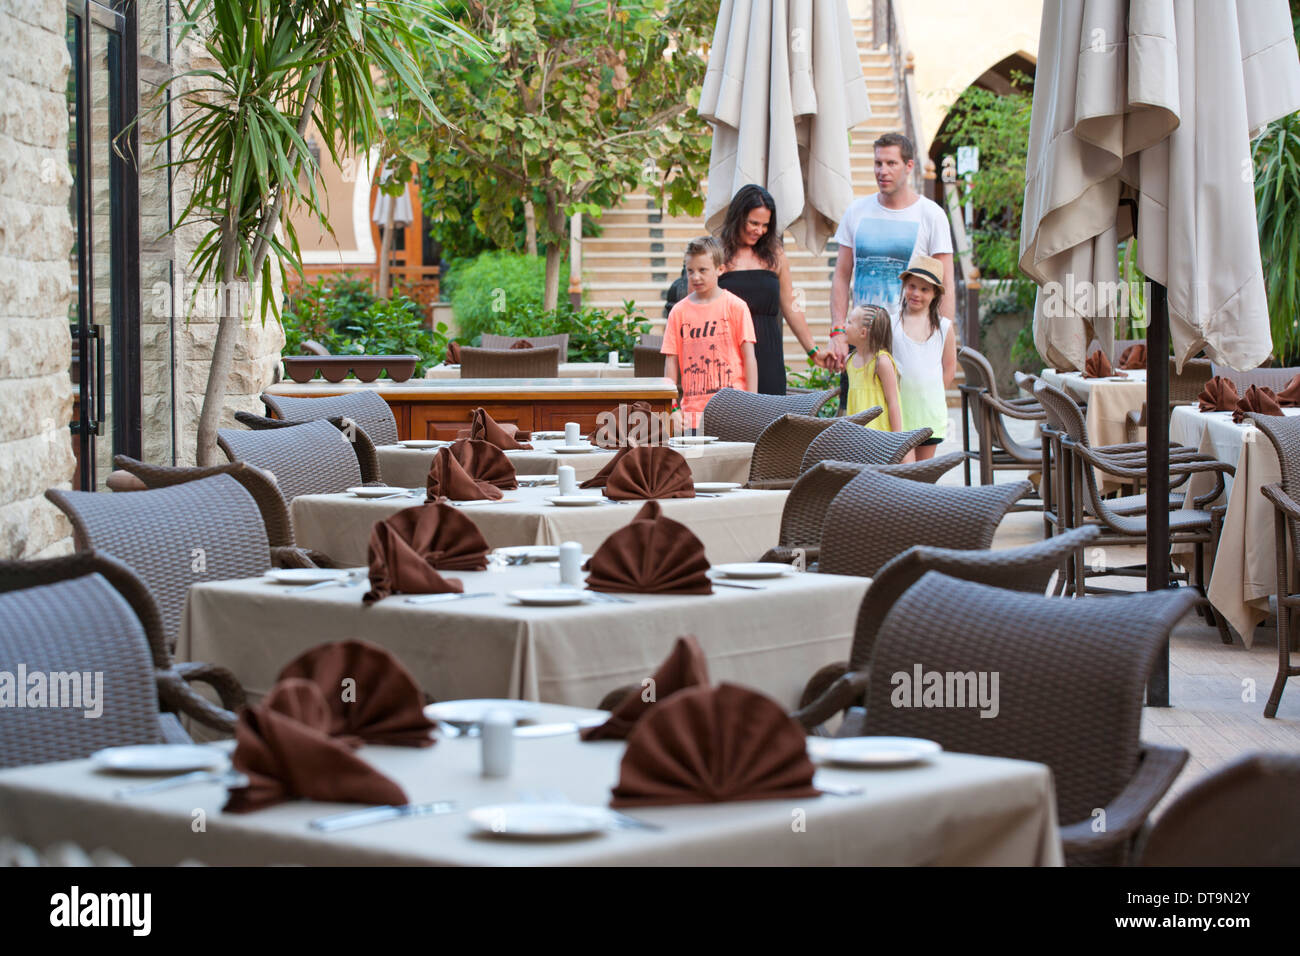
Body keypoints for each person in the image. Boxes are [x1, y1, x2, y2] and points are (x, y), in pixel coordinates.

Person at [828, 133, 955, 405]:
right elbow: (841, 276)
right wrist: (838, 331)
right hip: (862, 337)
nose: (882, 171)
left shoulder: (931, 215)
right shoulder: (856, 212)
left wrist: (942, 340)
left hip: (911, 337)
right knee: (857, 419)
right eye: (877, 163)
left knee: (905, 422)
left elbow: (946, 282)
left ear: (909, 166)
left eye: (891, 163)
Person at [716, 185, 829, 394]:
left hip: (768, 352)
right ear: (738, 217)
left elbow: (790, 305)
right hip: (726, 351)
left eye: (765, 225)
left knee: (770, 418)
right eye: (753, 223)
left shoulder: (775, 255)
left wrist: (813, 350)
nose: (759, 231)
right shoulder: (717, 253)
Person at [661, 236, 758, 430]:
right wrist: (672, 407)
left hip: (734, 412)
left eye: (702, 270)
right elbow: (670, 361)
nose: (695, 277)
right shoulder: (678, 312)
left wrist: (753, 405)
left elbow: (749, 358)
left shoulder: (736, 307)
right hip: (692, 417)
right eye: (690, 271)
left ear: (720, 269)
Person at [891, 254, 956, 461]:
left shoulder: (943, 328)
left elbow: (949, 367)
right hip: (901, 413)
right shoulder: (892, 324)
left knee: (924, 474)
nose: (916, 293)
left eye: (924, 289)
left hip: (929, 414)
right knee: (906, 470)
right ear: (904, 286)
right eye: (911, 286)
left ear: (935, 293)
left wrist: (930, 395)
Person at [842, 304, 902, 432]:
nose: (844, 326)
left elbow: (893, 403)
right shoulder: (849, 361)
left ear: (863, 332)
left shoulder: (882, 362)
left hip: (879, 437)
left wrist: (898, 440)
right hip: (856, 436)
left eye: (849, 322)